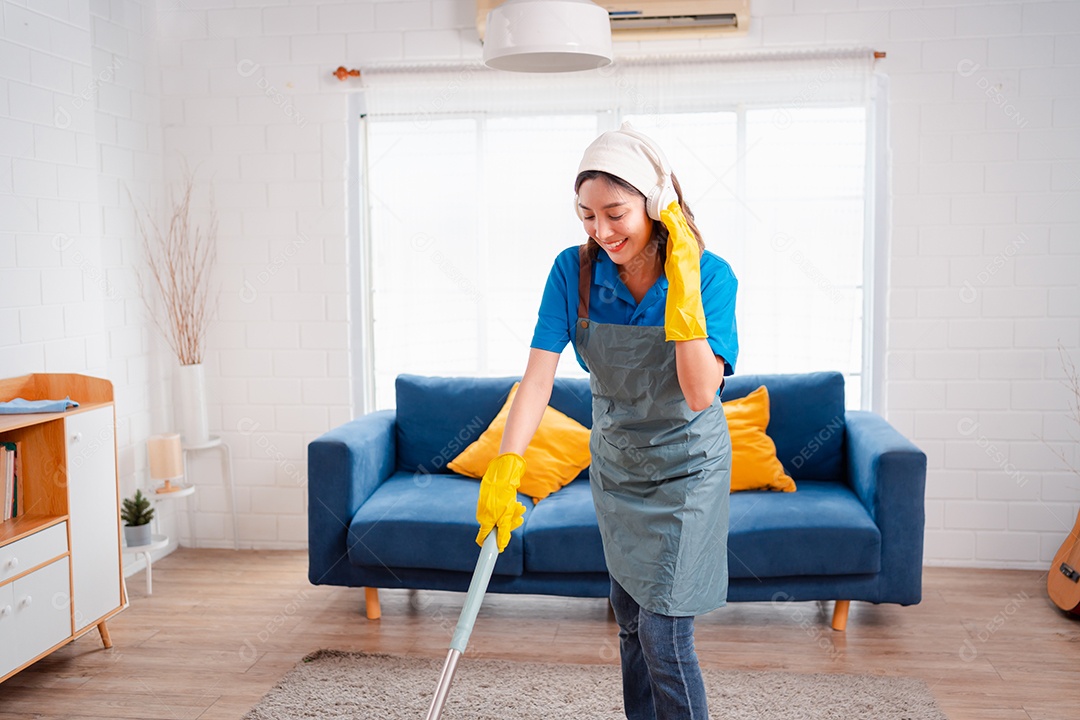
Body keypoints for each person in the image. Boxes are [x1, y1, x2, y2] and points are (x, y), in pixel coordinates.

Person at [474, 122, 738, 720]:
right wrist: (508, 463)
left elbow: (700, 391)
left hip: (688, 470)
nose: (601, 231)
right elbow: (537, 378)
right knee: (630, 626)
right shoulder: (573, 271)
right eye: (587, 215)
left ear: (656, 203)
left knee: (665, 638)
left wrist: (686, 284)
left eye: (615, 213)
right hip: (618, 469)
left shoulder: (710, 276)